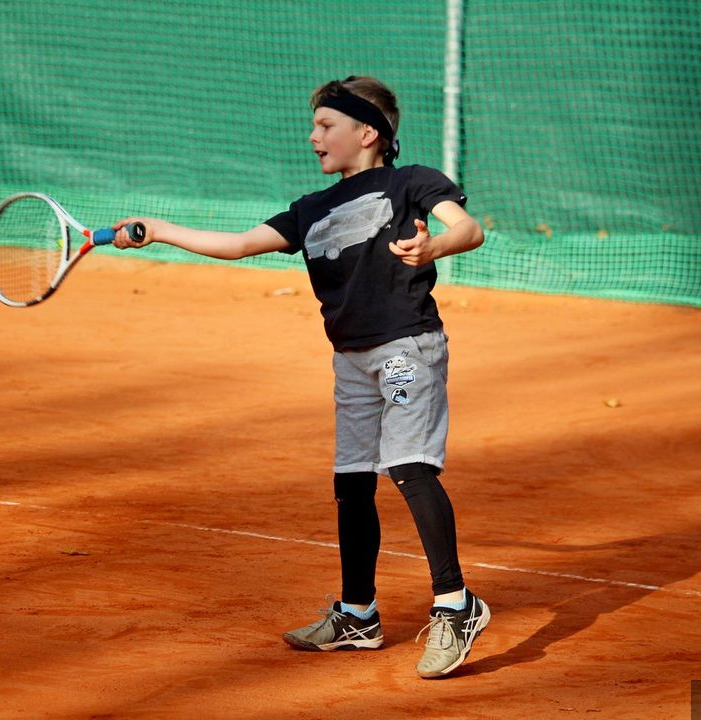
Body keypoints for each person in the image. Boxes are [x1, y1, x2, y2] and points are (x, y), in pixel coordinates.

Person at [112, 75, 488, 678]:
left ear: (367, 133)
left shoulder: (410, 182)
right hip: (351, 359)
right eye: (315, 125)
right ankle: (358, 615)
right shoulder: (311, 209)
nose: (313, 136)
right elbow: (239, 244)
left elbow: (468, 229)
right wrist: (159, 230)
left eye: (325, 125)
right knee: (353, 481)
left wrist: (433, 248)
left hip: (404, 350)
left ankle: (455, 604)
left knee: (409, 467)